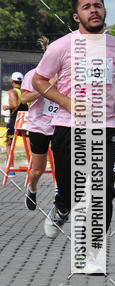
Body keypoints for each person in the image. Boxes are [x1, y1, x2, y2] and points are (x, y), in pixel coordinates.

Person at [32, 0, 115, 241]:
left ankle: (93, 249)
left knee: (104, 188)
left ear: (104, 10)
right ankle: (62, 205)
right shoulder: (60, 47)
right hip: (68, 126)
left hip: (107, 125)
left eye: (97, 5)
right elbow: (40, 81)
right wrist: (66, 101)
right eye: (86, 7)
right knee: (69, 191)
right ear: (76, 16)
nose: (94, 10)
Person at [20, 39, 57, 210]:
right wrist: (46, 87)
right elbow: (25, 98)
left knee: (62, 167)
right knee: (37, 170)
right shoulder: (33, 75)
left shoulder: (66, 75)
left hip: (60, 125)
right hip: (39, 127)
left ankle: (60, 198)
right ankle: (32, 188)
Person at [3, 71, 28, 167]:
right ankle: (32, 167)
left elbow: (14, 105)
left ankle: (11, 168)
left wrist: (7, 107)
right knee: (29, 145)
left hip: (15, 121)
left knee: (9, 144)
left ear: (12, 81)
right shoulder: (25, 92)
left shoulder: (12, 91)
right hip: (25, 120)